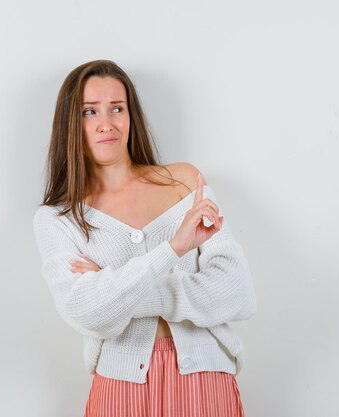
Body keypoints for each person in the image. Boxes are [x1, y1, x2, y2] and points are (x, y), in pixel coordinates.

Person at [32, 59, 258, 417]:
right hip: (120, 389)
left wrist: (115, 289)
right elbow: (86, 312)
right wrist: (174, 249)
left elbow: (238, 292)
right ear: (70, 124)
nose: (106, 124)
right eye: (90, 112)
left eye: (116, 108)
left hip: (205, 380)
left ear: (131, 115)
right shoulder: (58, 218)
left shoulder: (183, 182)